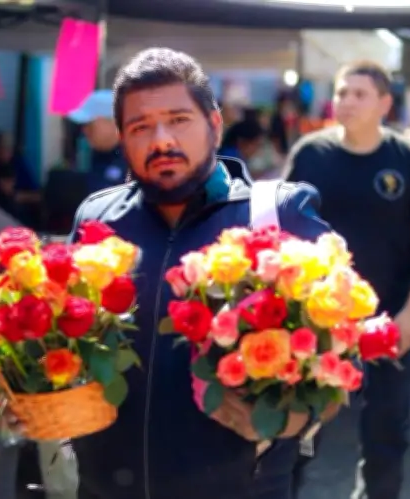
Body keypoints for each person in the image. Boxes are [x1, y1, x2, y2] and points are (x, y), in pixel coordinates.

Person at [63, 47, 332, 499]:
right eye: (140, 127)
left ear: (214, 124)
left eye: (179, 120)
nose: (161, 140)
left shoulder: (276, 214)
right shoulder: (98, 217)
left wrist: (297, 420)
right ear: (122, 139)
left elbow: (344, 356)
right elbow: (73, 339)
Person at [283, 60, 410, 499]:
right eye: (341, 93)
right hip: (316, 323)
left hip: (388, 320)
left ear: (385, 104)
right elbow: (280, 232)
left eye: (360, 94)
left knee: (386, 438)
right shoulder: (310, 155)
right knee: (297, 436)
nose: (347, 102)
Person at [67, 89, 127, 192]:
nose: (84, 131)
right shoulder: (98, 155)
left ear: (112, 122)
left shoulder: (136, 160)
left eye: (89, 124)